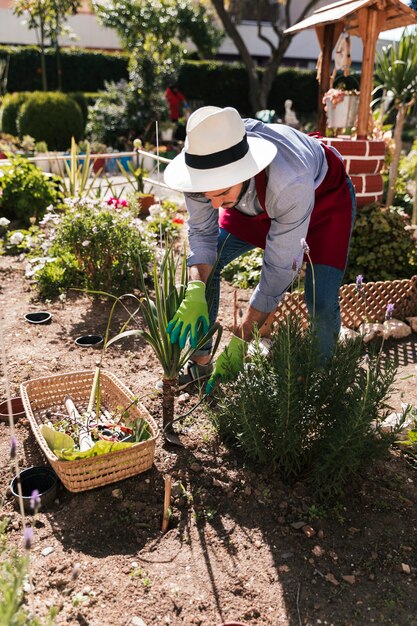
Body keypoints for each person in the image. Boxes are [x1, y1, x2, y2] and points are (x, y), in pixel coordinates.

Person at [163, 106, 356, 393]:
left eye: (220, 194)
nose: (213, 205)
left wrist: (242, 340)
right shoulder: (206, 163)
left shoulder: (289, 180)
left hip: (325, 204)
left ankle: (321, 385)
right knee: (208, 265)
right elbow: (203, 235)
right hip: (248, 200)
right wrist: (195, 289)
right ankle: (200, 365)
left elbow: (278, 270)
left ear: (245, 170)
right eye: (208, 195)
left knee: (322, 299)